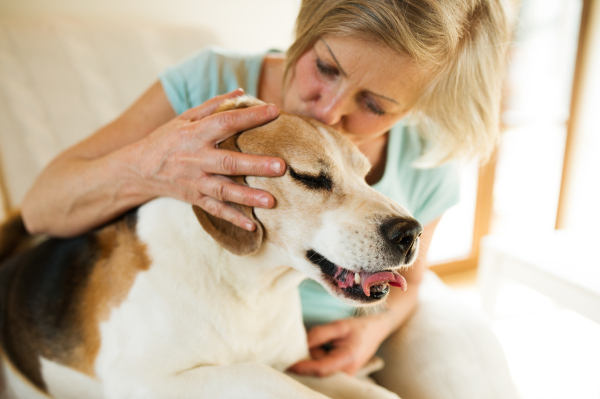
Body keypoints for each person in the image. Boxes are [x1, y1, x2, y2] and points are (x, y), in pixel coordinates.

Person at [20, 0, 520, 397]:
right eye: (325, 66)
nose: (326, 111)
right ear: (306, 28)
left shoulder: (426, 157)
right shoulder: (211, 95)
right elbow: (40, 208)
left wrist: (375, 328)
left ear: (416, 107)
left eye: (373, 104)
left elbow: (408, 279)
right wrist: (151, 165)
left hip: (303, 338)